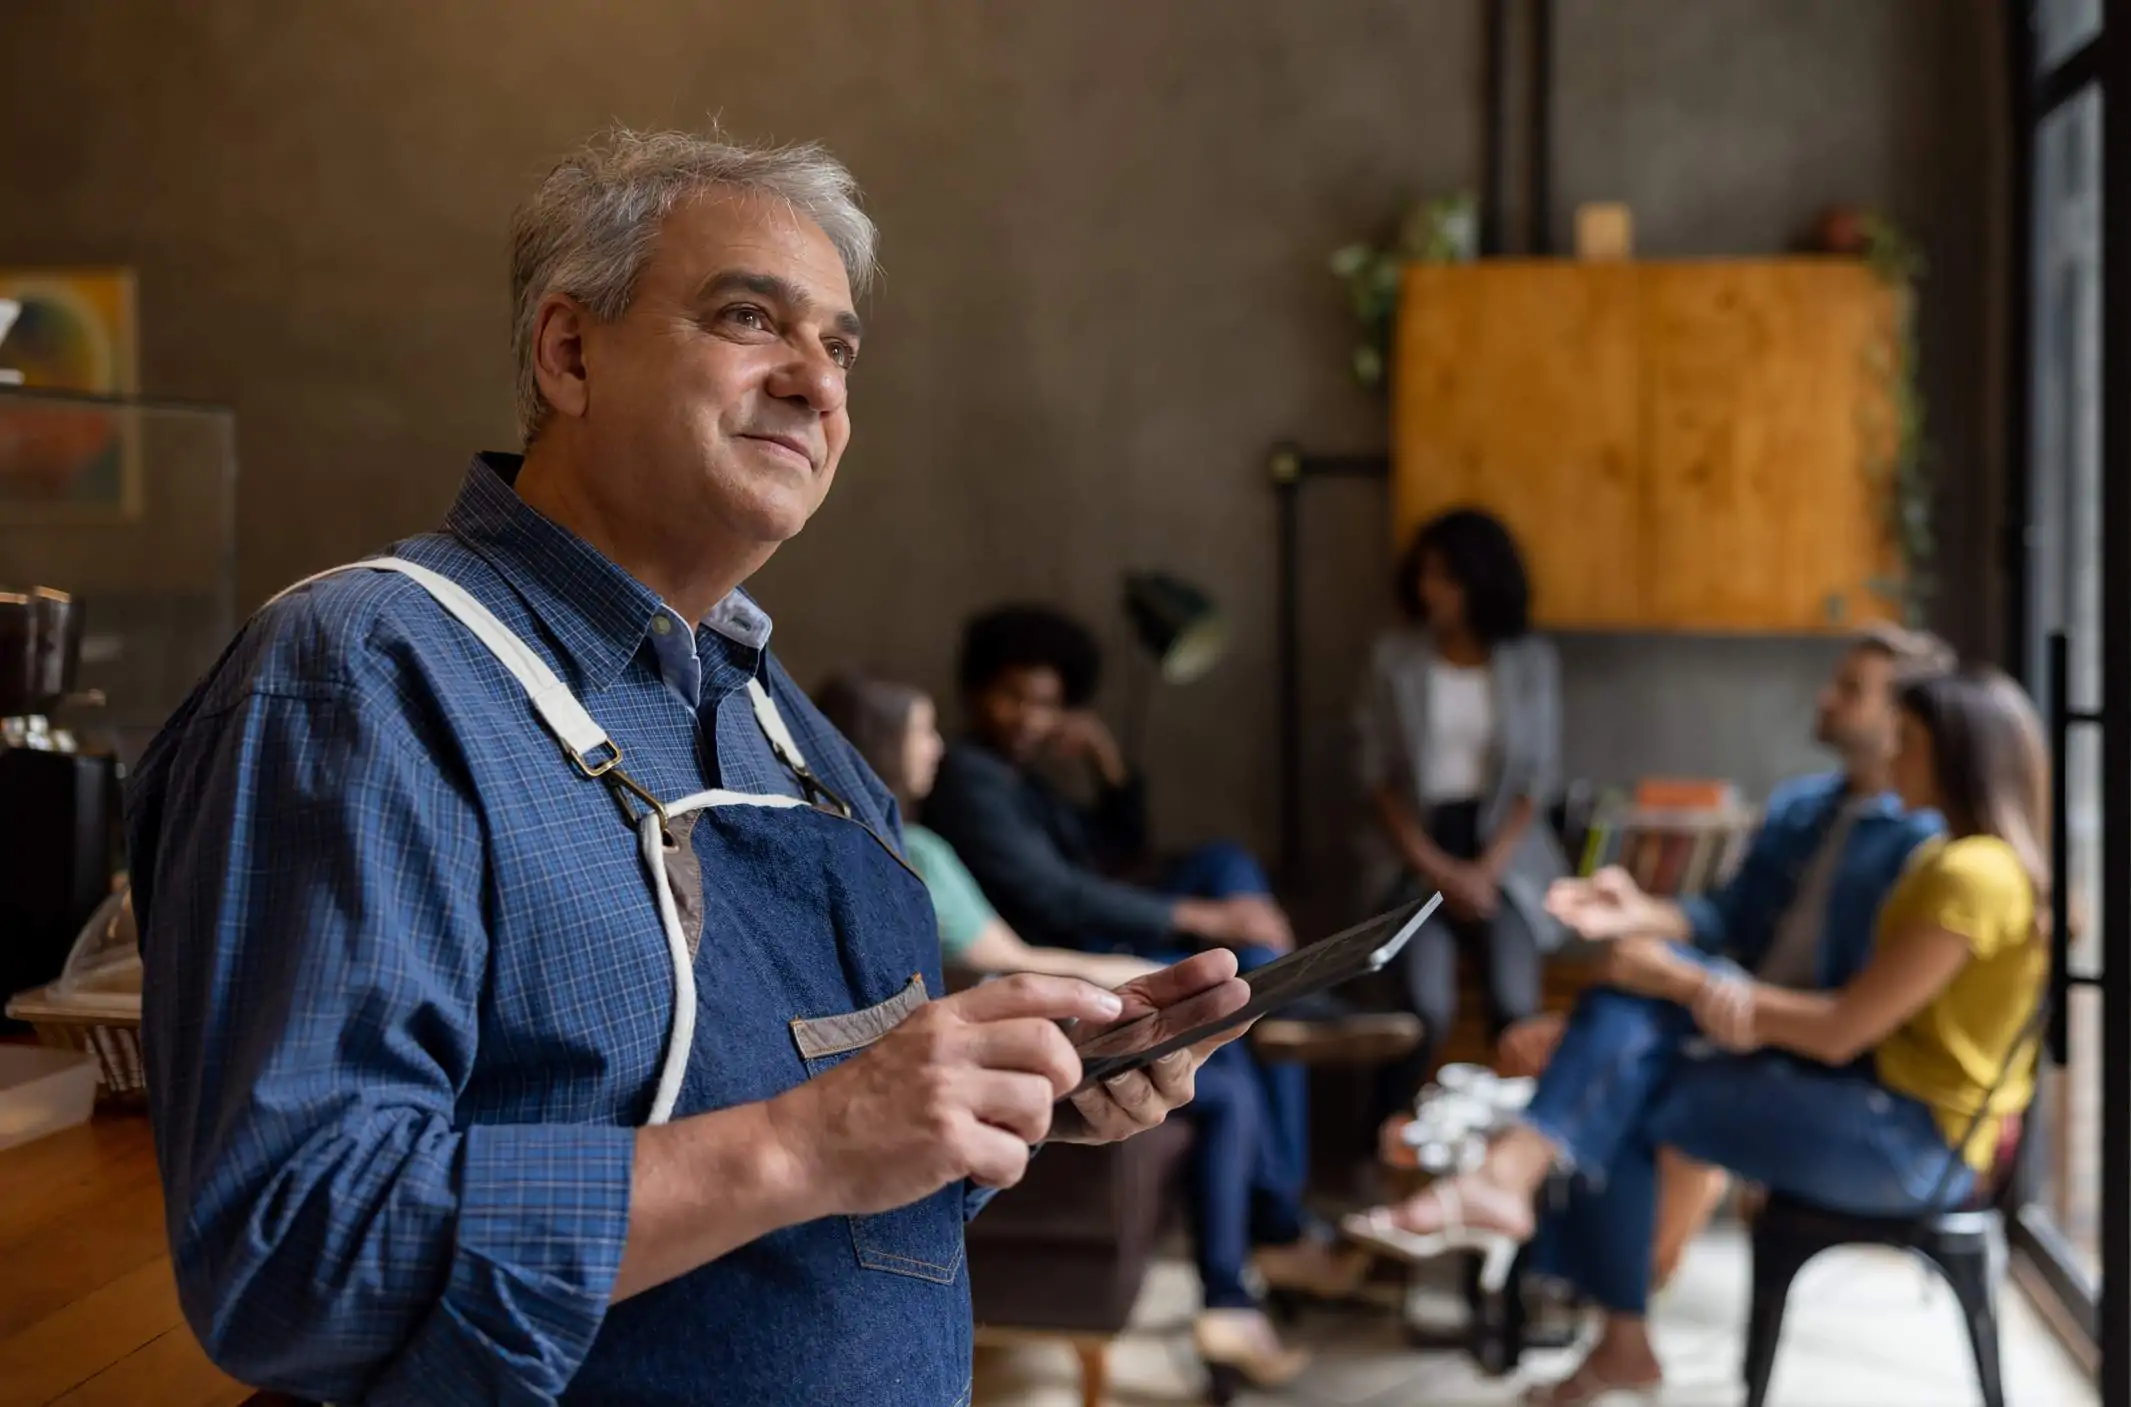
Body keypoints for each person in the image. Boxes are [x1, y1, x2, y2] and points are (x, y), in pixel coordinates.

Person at [126, 128, 1254, 1407]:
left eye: (837, 348)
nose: (816, 386)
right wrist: (812, 1138)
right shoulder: (365, 679)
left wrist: (1008, 1100)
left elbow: (840, 1197)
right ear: (570, 352)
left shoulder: (804, 747)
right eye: (747, 317)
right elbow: (295, 1254)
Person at [1348, 665, 2047, 1405]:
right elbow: (1750, 933)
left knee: (1623, 1086)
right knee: (1621, 1055)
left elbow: (1844, 1028)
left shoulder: (1967, 873)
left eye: (1907, 742)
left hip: (1908, 1140)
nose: (1893, 755)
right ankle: (1562, 1256)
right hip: (1884, 1110)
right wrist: (1661, 940)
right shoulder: (1952, 859)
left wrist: (1688, 985)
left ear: (1954, 754)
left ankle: (1540, 1221)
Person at [1488, 622, 1958, 1293]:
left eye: (1850, 690)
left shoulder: (1923, 845)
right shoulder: (1801, 806)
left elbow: (1857, 1014)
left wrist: (1684, 976)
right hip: (1719, 1011)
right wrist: (1639, 907)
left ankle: (1571, 1254)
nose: (1825, 697)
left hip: (1805, 1043)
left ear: (1899, 720)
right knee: (1585, 1009)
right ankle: (1567, 1263)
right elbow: (1723, 916)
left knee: (1603, 1048)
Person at [1355, 508, 1570, 1112]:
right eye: (1424, 577)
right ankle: (1380, 1142)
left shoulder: (1529, 661)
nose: (1432, 592)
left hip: (1506, 855)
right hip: (1417, 851)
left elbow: (1538, 777)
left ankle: (1521, 1149)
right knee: (1425, 1008)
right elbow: (1376, 778)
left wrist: (1486, 870)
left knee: (1515, 1005)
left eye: (1446, 578)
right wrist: (1436, 868)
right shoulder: (1394, 660)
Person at [813, 669, 1158, 989]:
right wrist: (1144, 974)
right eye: (923, 731)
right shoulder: (914, 852)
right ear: (885, 744)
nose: (938, 747)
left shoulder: (830, 844)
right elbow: (1016, 963)